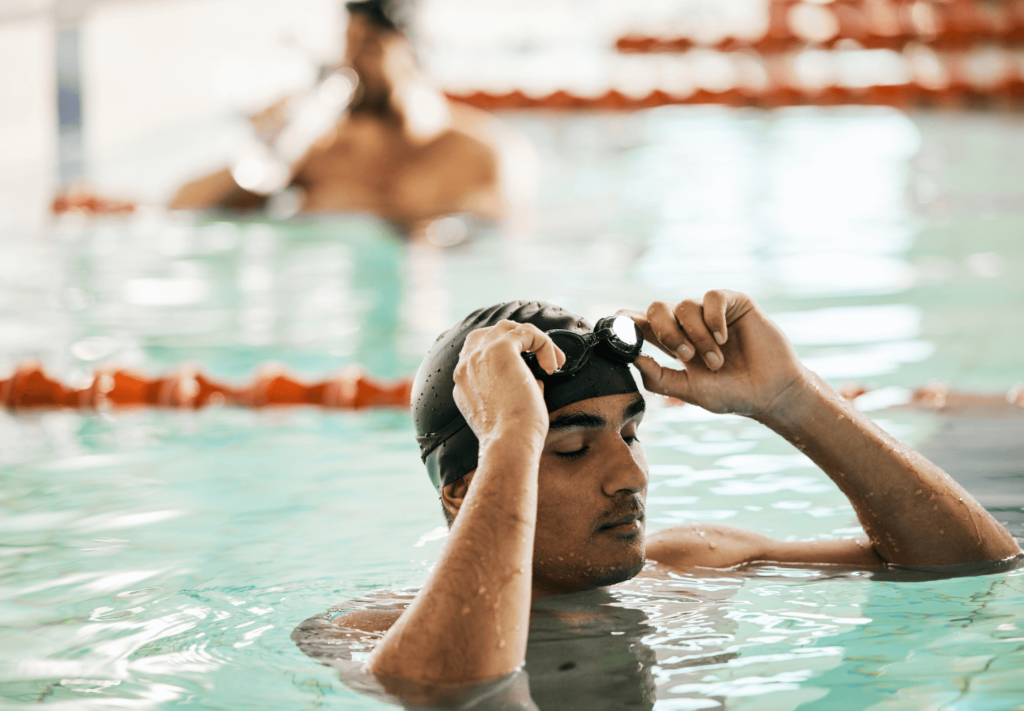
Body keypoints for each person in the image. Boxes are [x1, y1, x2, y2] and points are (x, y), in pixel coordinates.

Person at [320, 289, 1021, 691]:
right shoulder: (363, 632)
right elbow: (458, 693)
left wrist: (793, 399)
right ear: (460, 491)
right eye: (566, 445)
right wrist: (510, 434)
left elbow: (971, 564)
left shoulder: (691, 564)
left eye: (629, 433)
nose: (631, 476)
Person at [56, 0, 533, 238]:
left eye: (367, 46)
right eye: (347, 43)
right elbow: (183, 207)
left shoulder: (485, 155)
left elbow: (488, 245)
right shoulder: (323, 150)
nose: (350, 61)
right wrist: (269, 155)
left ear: (414, 55)